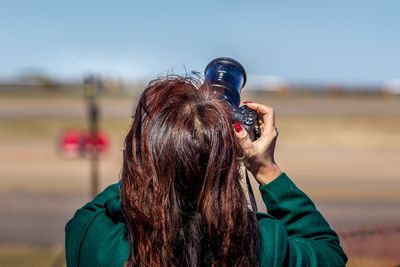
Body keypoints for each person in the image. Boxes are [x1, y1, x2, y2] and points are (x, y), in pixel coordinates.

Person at [65, 75, 347, 267]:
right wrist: (265, 170)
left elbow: (110, 202)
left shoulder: (93, 237)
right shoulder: (261, 246)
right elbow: (329, 254)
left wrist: (154, 154)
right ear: (225, 163)